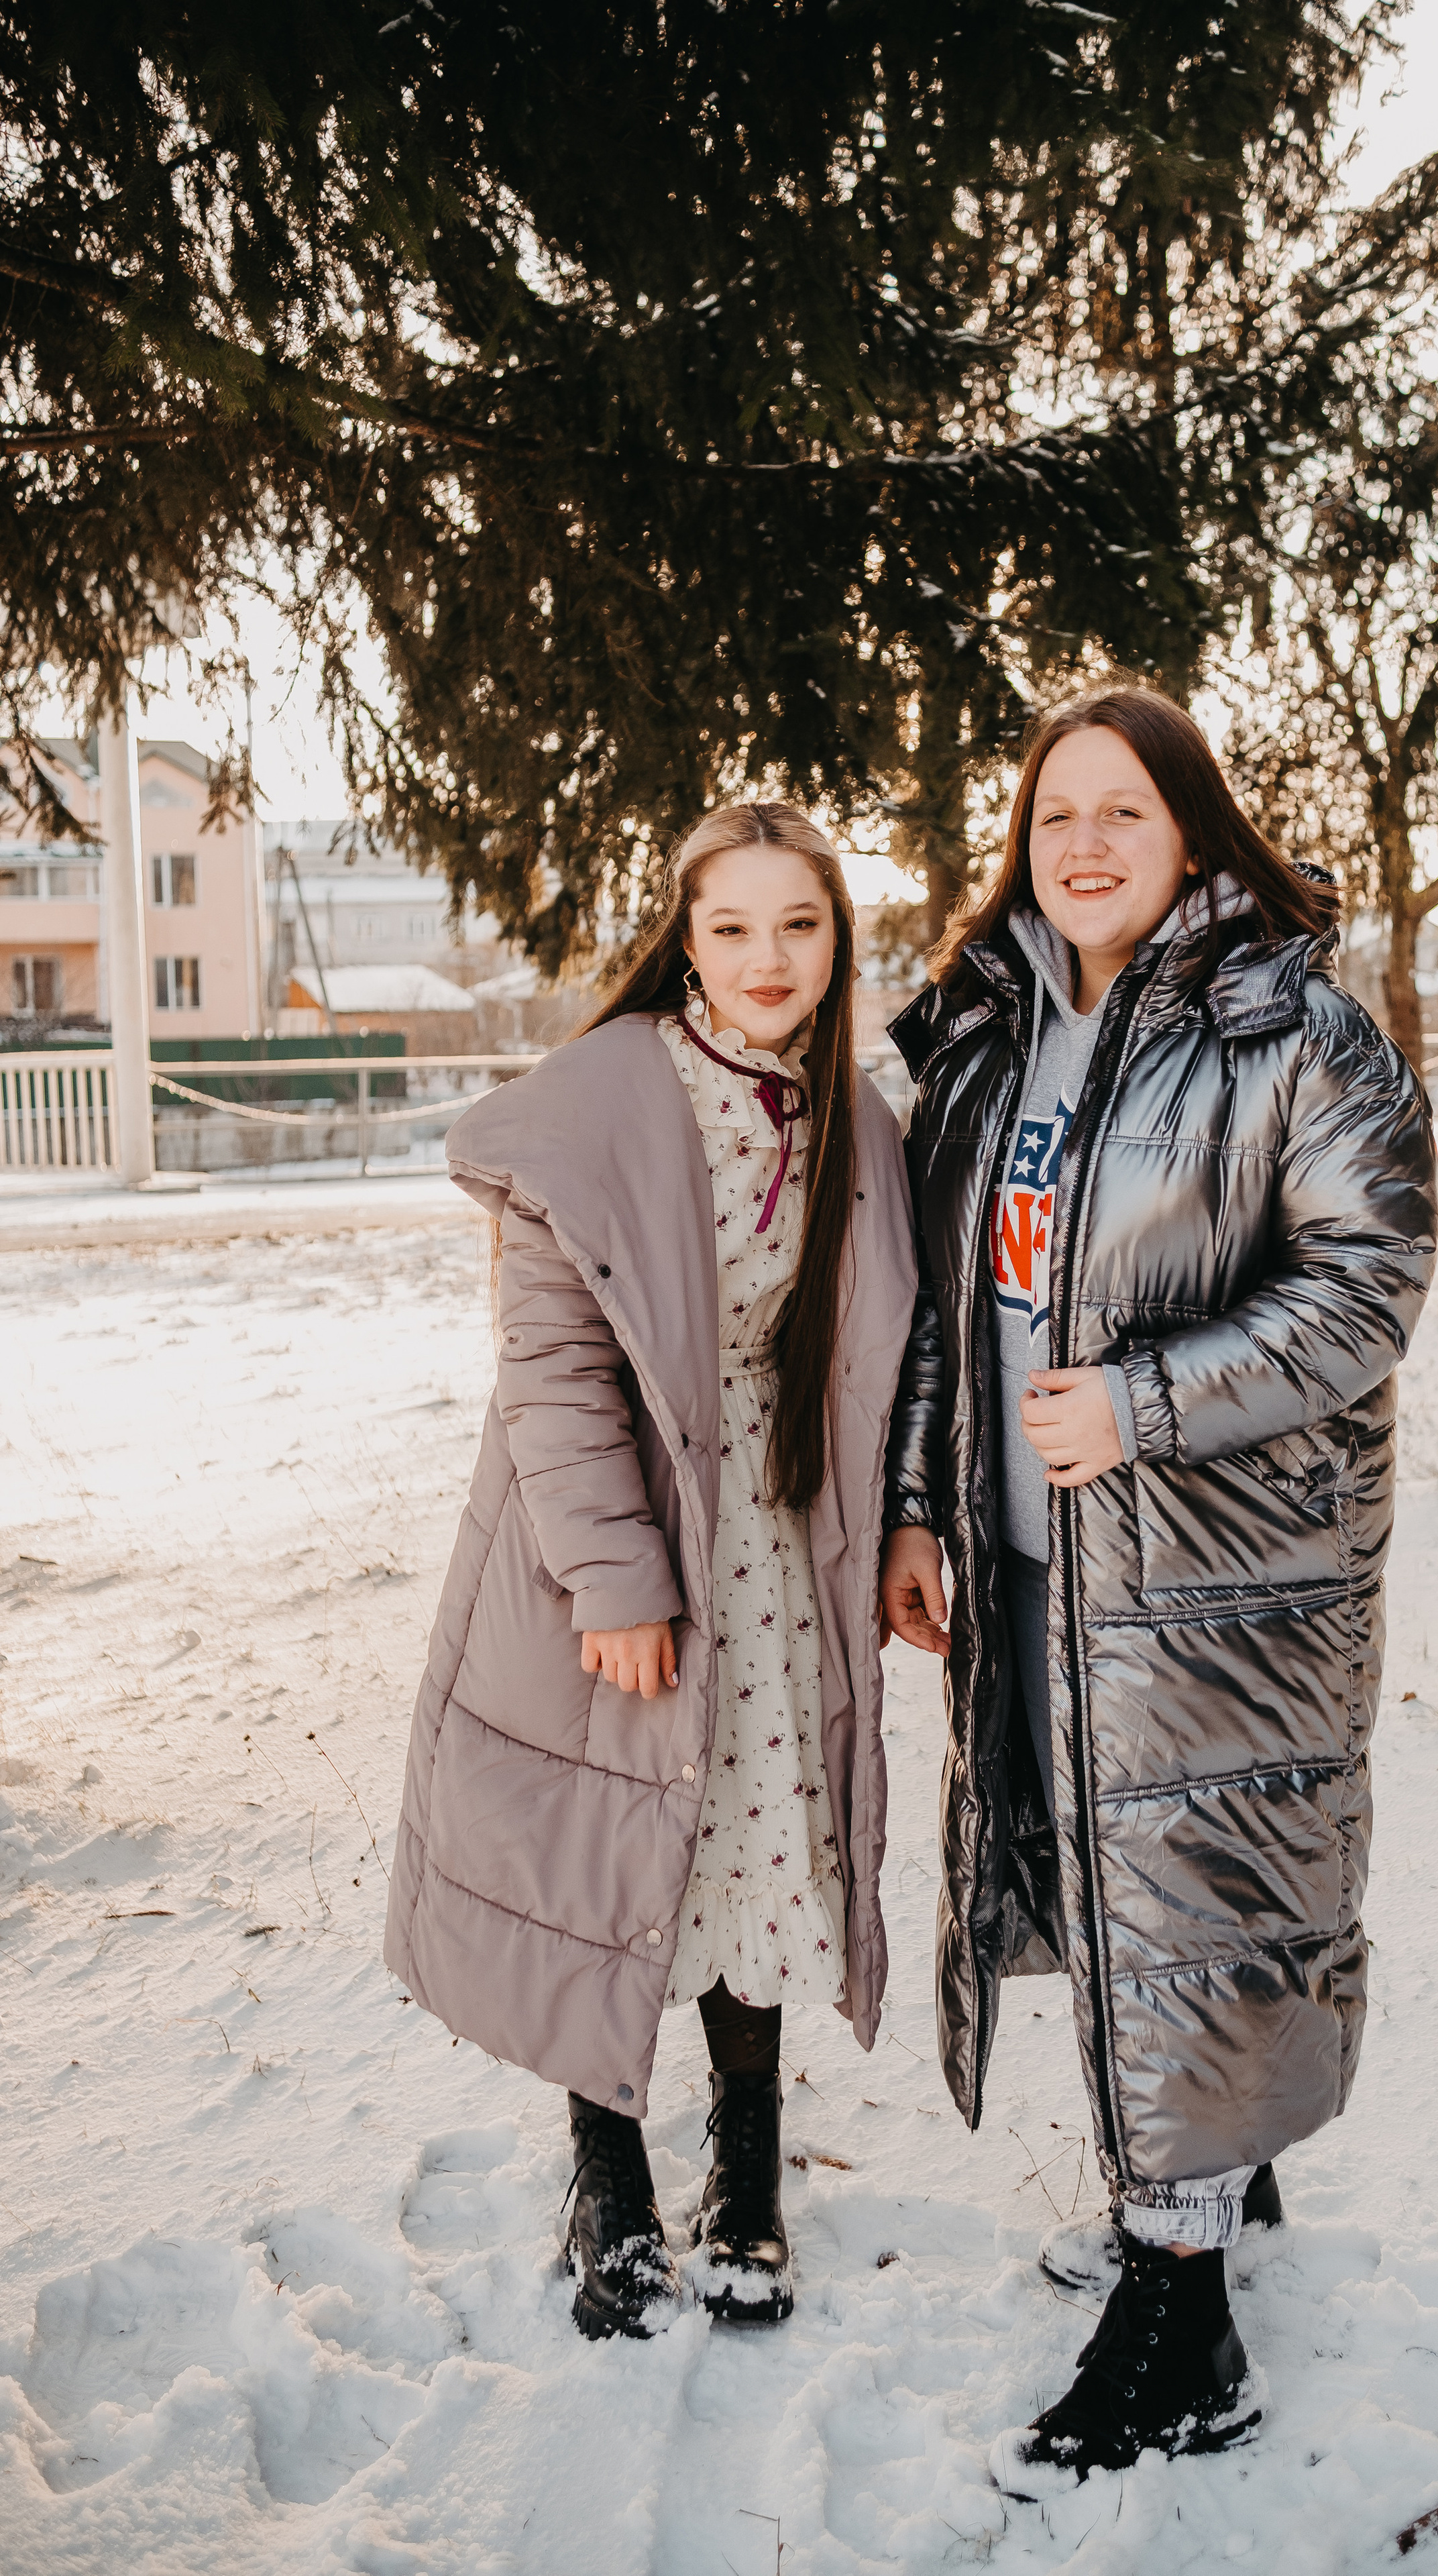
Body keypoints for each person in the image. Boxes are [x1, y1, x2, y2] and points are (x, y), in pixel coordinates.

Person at [879, 687, 1437, 2489]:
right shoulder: (993, 1039)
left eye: (1126, 812)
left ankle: (1182, 2313)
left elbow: (1367, 1292)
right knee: (1136, 1902)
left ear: (1193, 829)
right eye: (1057, 819)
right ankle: (1213, 2162)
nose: (1088, 848)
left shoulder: (1296, 1034)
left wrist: (1141, 1401)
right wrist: (918, 1506)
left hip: (1222, 1585)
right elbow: (932, 1322)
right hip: (1042, 1573)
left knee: (1195, 1892)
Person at [385, 802, 917, 2339]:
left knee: (752, 1836)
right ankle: (606, 2171)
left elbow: (898, 1354)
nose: (767, 958)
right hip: (613, 1535)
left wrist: (898, 1526)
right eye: (732, 926)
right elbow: (548, 1366)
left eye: (799, 926)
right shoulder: (606, 1099)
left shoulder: (852, 1118)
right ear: (683, 935)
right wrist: (615, 1578)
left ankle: (743, 2175)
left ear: (837, 940)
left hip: (776, 1536)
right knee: (613, 1851)